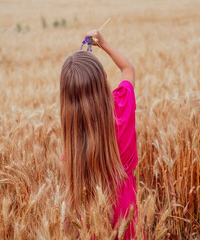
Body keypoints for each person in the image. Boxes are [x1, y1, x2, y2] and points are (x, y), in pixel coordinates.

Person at [60, 29, 138, 239]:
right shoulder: (122, 105)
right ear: (104, 77)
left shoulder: (73, 133)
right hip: (125, 213)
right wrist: (103, 43)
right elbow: (127, 69)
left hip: (89, 215)